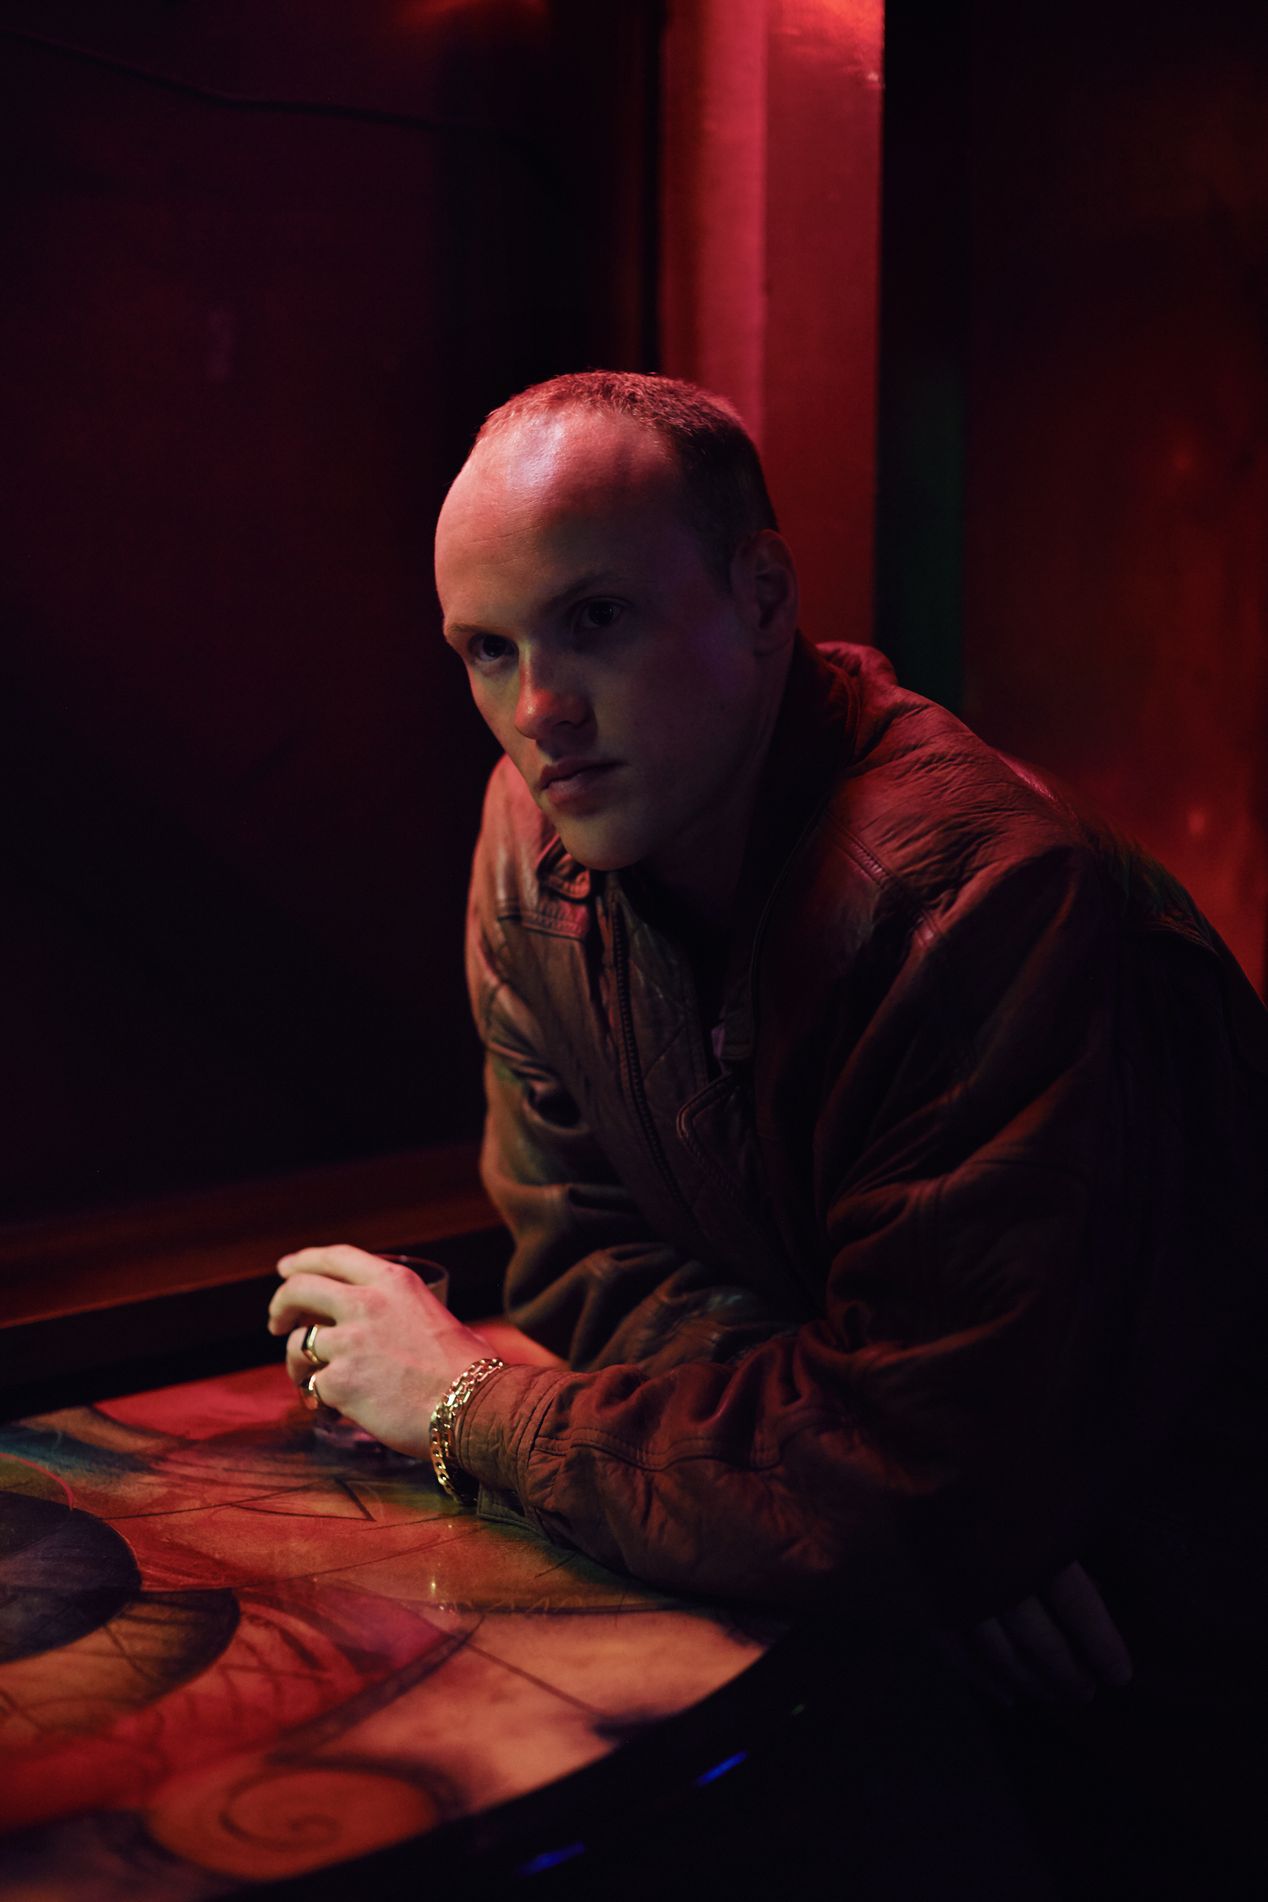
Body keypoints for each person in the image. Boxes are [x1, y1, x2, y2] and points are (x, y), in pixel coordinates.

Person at [269, 372, 1266, 1894]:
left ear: (762, 593)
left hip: (1168, 1647)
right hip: (949, 1605)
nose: (538, 713)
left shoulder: (970, 895)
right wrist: (852, 1496)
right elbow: (586, 1256)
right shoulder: (529, 837)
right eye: (489, 649)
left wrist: (465, 1401)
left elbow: (925, 1474)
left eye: (595, 619)